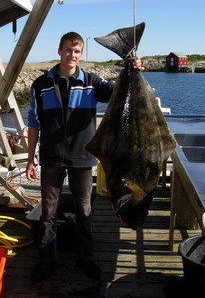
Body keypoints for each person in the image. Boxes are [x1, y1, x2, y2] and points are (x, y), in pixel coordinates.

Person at [26, 31, 143, 282]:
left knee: (85, 210)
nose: (72, 55)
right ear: (59, 51)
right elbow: (34, 123)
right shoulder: (41, 84)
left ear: (81, 54)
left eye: (77, 51)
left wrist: (133, 70)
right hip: (51, 157)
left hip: (83, 156)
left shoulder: (92, 81)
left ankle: (86, 259)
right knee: (48, 211)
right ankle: (47, 260)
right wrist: (29, 159)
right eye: (68, 50)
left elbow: (118, 93)